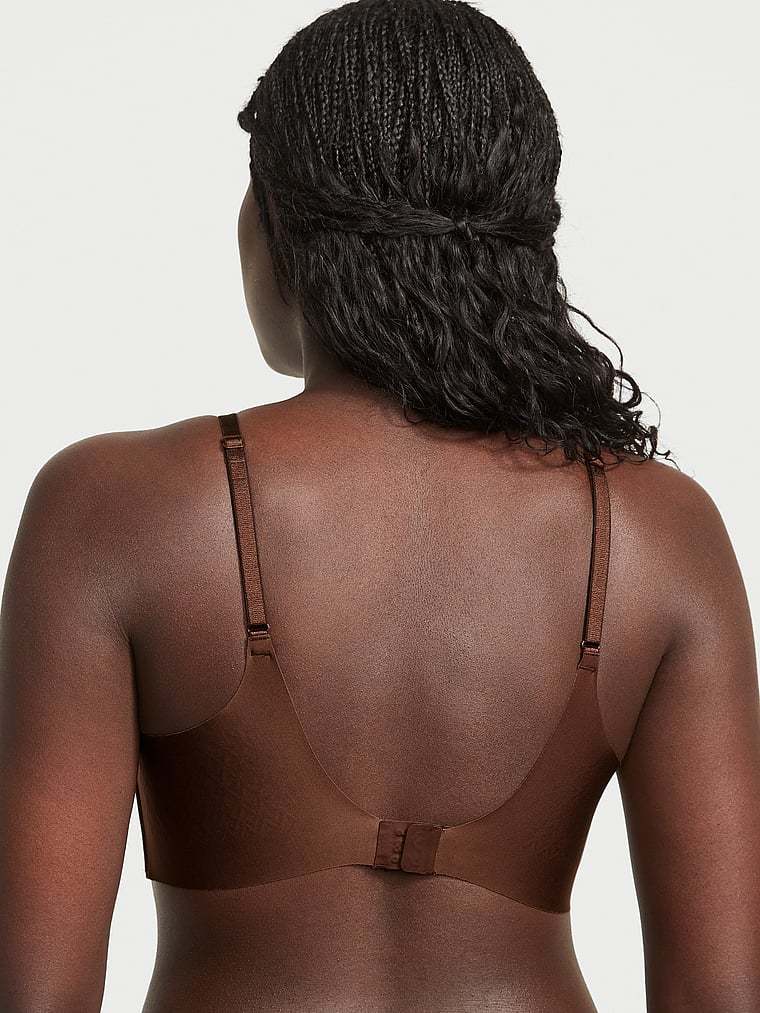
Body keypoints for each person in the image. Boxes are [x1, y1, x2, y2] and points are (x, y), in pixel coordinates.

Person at [1, 1, 759, 1010]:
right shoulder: (661, 534)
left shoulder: (115, 510)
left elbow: (35, 993)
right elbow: (723, 995)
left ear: (277, 227)